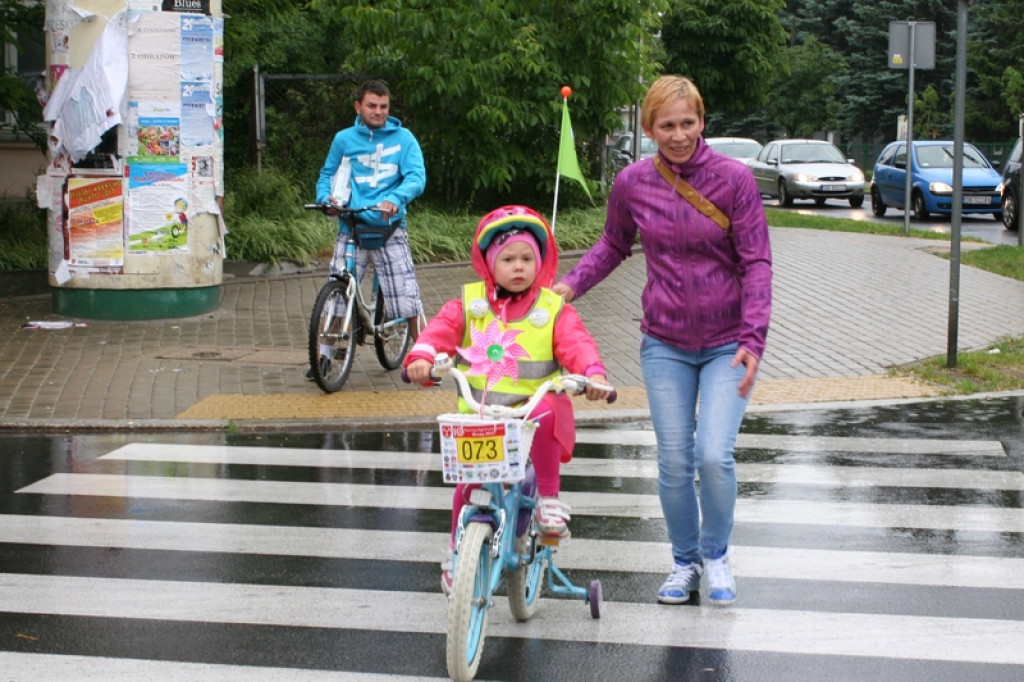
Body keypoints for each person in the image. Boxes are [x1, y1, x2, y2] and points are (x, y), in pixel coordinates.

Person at [553, 75, 773, 606]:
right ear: (650, 127)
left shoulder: (734, 180)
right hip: (665, 343)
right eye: (666, 125)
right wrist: (567, 287)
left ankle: (717, 555)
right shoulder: (633, 182)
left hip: (727, 343)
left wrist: (753, 338)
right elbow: (612, 244)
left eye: (687, 123)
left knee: (713, 456)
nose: (678, 135)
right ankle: (685, 562)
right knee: (675, 461)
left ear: (702, 122)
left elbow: (757, 261)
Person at [404, 205, 612, 594]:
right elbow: (439, 332)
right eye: (508, 258)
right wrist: (421, 358)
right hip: (482, 415)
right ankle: (455, 550)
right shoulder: (468, 305)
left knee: (551, 407)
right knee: (468, 486)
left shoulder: (553, 309)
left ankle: (548, 497)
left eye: (528, 258)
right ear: (488, 263)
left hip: (533, 412)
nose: (519, 267)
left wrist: (593, 375)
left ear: (542, 261)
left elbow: (577, 345)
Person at [314, 80, 426, 378]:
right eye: (372, 106)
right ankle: (323, 357)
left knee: (405, 296)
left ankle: (425, 357)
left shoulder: (404, 139)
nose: (378, 112)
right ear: (358, 107)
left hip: (389, 227)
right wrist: (326, 199)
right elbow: (327, 174)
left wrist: (396, 198)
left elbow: (416, 176)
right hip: (351, 225)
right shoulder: (343, 139)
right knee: (336, 292)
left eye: (384, 107)